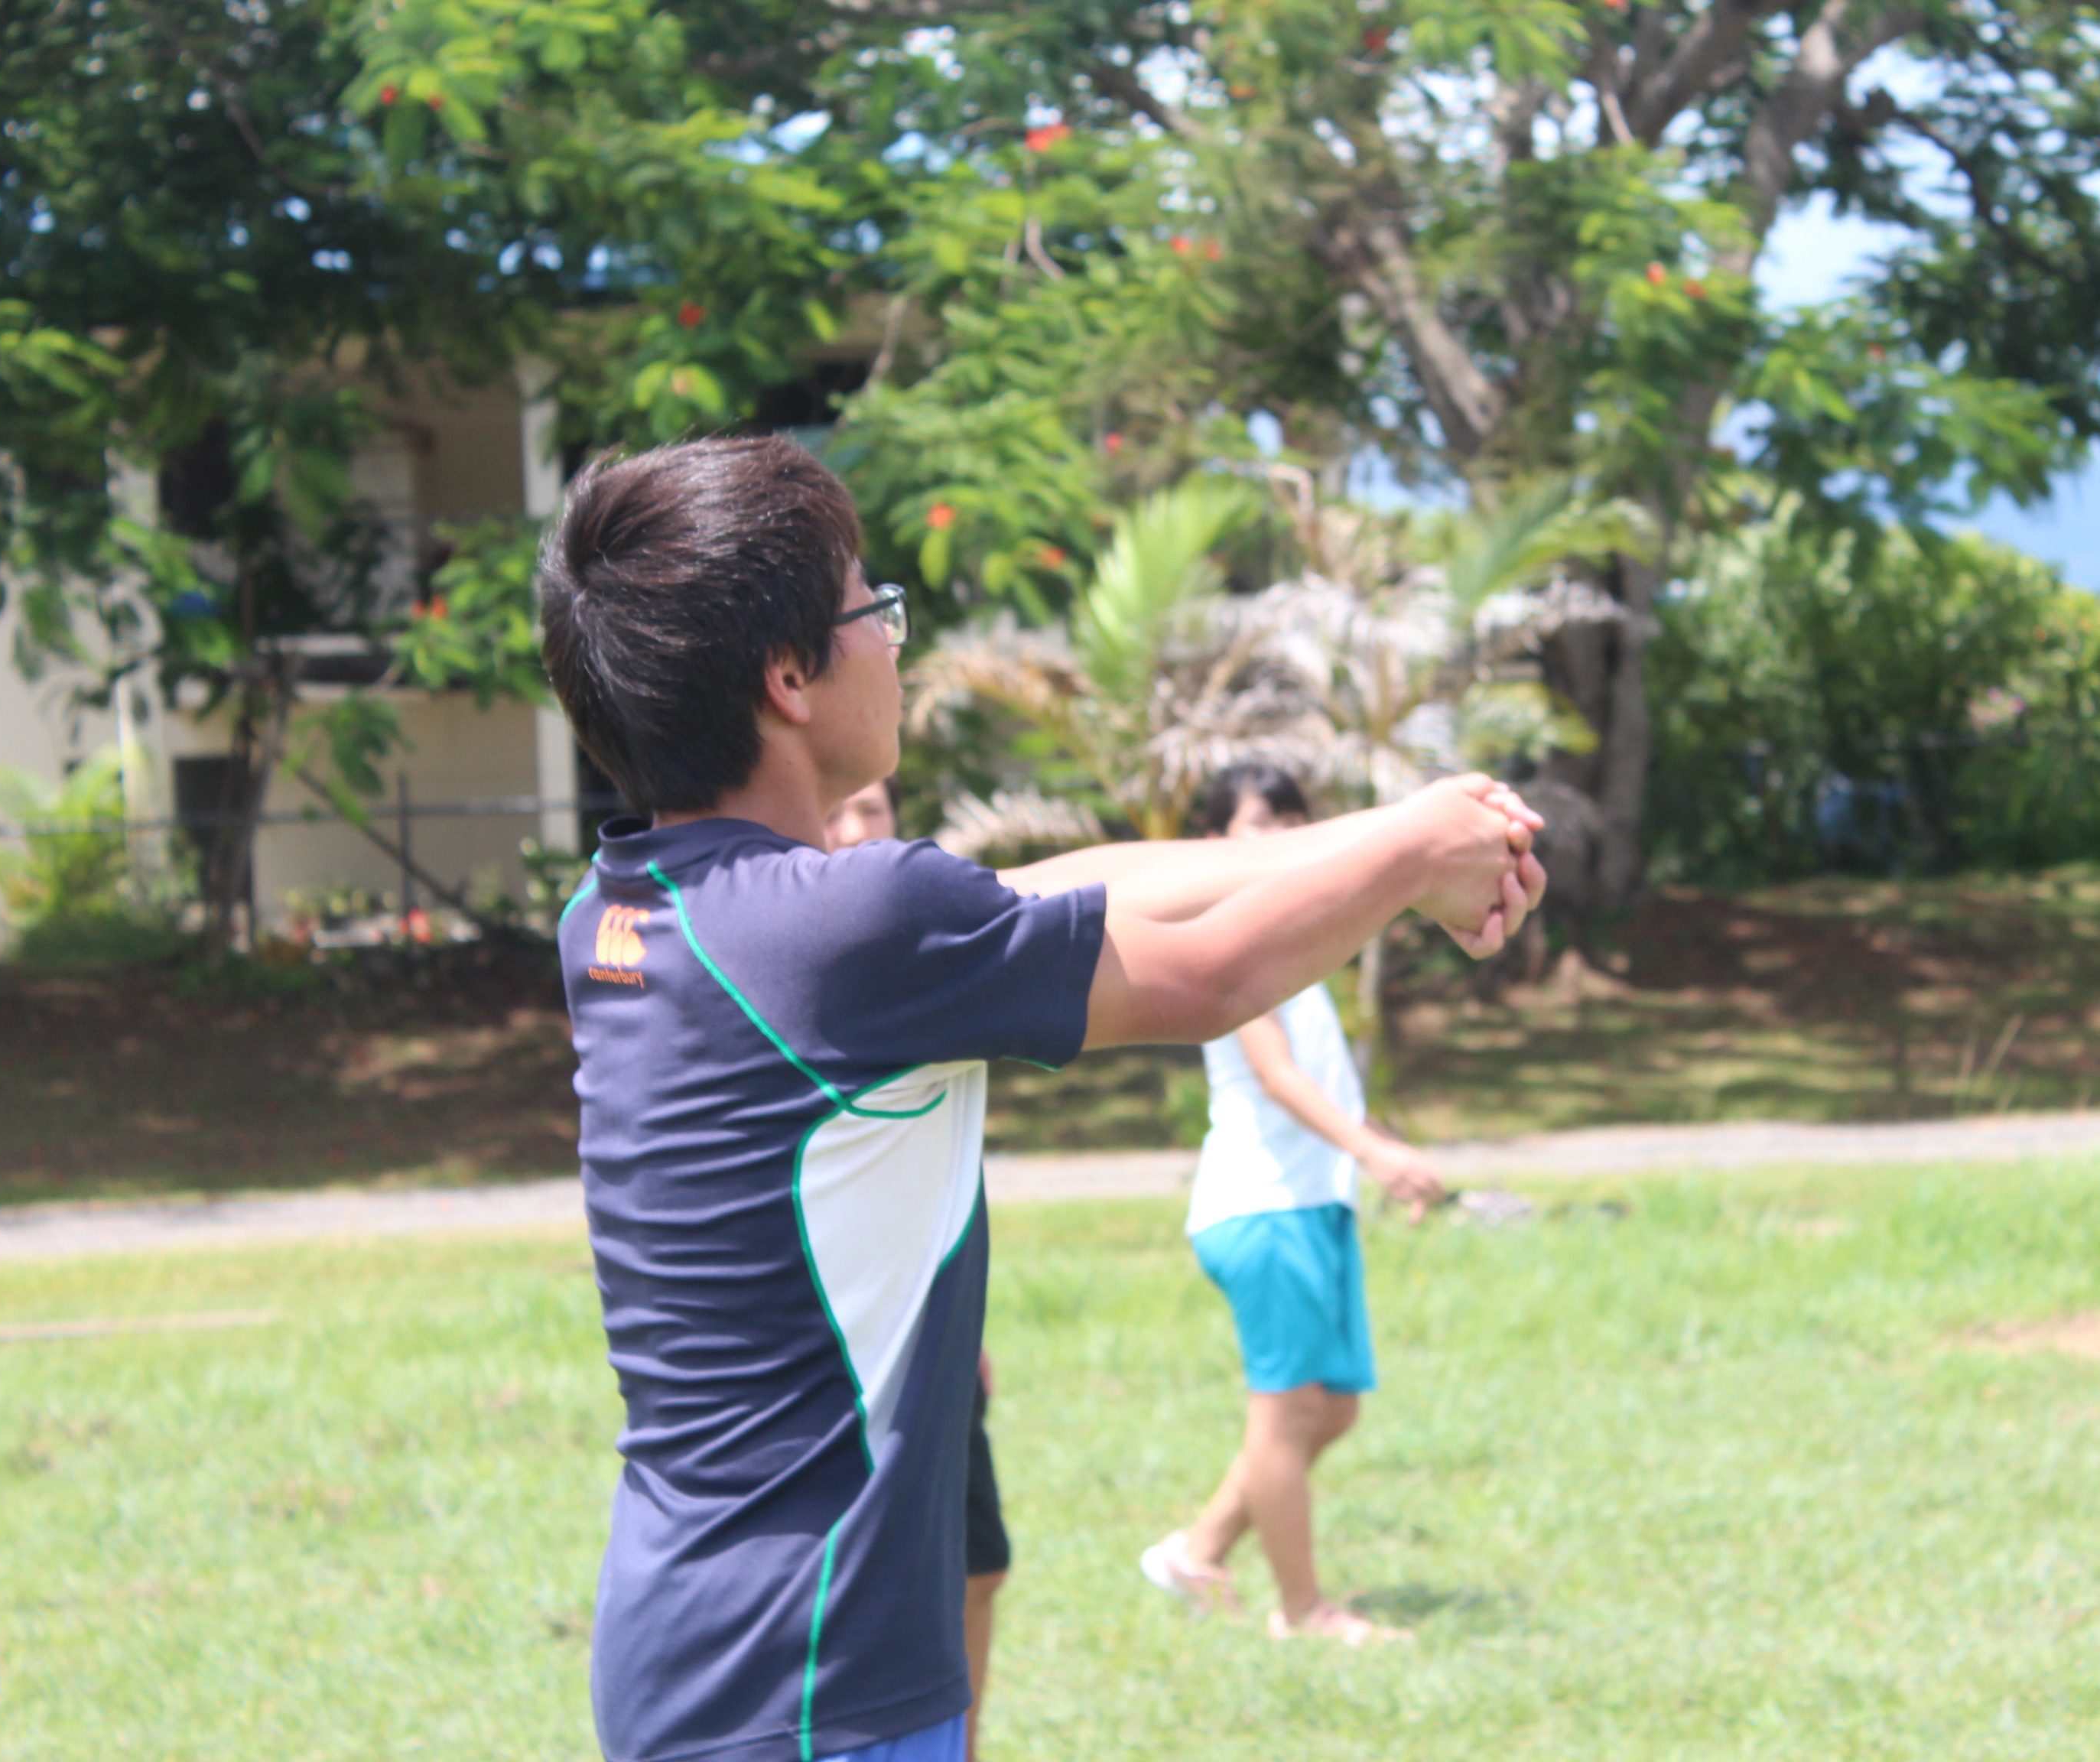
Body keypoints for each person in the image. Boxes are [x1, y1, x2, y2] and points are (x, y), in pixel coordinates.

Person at [538, 434, 1542, 1762]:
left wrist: (1384, 832)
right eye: (874, 610)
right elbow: (1207, 976)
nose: (894, 642)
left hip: (701, 1654)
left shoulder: (623, 913)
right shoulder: (845, 929)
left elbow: (1050, 894)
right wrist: (1416, 852)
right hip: (809, 1676)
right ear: (788, 676)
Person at [1138, 764, 1448, 1647]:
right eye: (1259, 822)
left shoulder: (1290, 942)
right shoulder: (1230, 943)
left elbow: (1320, 1081)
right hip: (1261, 1206)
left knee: (1332, 1410)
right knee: (1284, 1416)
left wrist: (1374, 1153)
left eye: (1291, 820)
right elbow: (1275, 1077)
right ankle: (1304, 1611)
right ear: (1213, 843)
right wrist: (1373, 1151)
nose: (1279, 838)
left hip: (1311, 1204)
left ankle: (1197, 1554)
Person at [823, 775, 1008, 1762]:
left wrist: (967, 1325)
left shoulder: (916, 945)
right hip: (850, 1362)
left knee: (981, 1563)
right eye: (838, 812)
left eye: (875, 812)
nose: (858, 830)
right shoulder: (809, 962)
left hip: (931, 1334)